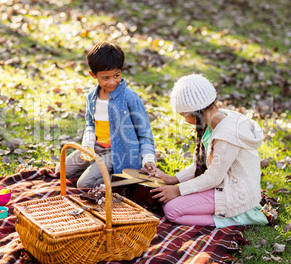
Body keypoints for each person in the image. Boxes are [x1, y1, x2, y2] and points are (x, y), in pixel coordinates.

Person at [148, 74, 268, 228]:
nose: (183, 120)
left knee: (171, 210)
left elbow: (213, 178)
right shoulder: (214, 121)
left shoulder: (226, 135)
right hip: (223, 182)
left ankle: (238, 216)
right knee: (167, 201)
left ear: (196, 112)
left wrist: (178, 190)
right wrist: (174, 179)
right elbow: (201, 166)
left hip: (234, 192)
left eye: (183, 115)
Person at [56, 42, 156, 188]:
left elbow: (145, 132)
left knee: (84, 184)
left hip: (118, 153)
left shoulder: (129, 97)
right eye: (105, 78)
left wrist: (148, 158)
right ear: (93, 75)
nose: (112, 82)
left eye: (117, 75)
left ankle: (118, 179)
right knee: (61, 170)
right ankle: (99, 171)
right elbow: (90, 124)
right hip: (97, 148)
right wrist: (88, 145)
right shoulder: (92, 97)